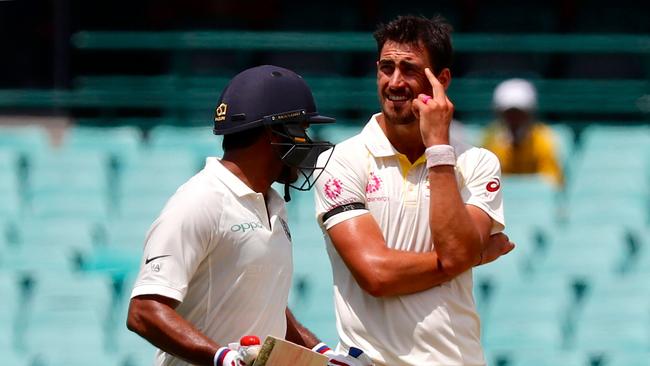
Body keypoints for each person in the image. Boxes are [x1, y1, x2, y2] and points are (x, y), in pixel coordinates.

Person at [126, 65, 373, 366]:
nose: (307, 143)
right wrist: (222, 358)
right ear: (273, 131)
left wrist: (322, 355)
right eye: (302, 129)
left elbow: (266, 304)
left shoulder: (272, 204)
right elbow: (144, 311)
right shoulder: (200, 201)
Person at [313, 15, 515, 365]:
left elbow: (455, 250)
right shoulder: (339, 160)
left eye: (409, 68)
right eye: (386, 67)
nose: (394, 82)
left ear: (443, 80)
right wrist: (469, 257)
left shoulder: (478, 162)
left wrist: (438, 148)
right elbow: (376, 274)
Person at [481, 78, 564, 186]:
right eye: (509, 114)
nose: (514, 120)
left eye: (520, 114)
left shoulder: (544, 139)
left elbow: (552, 182)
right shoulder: (489, 139)